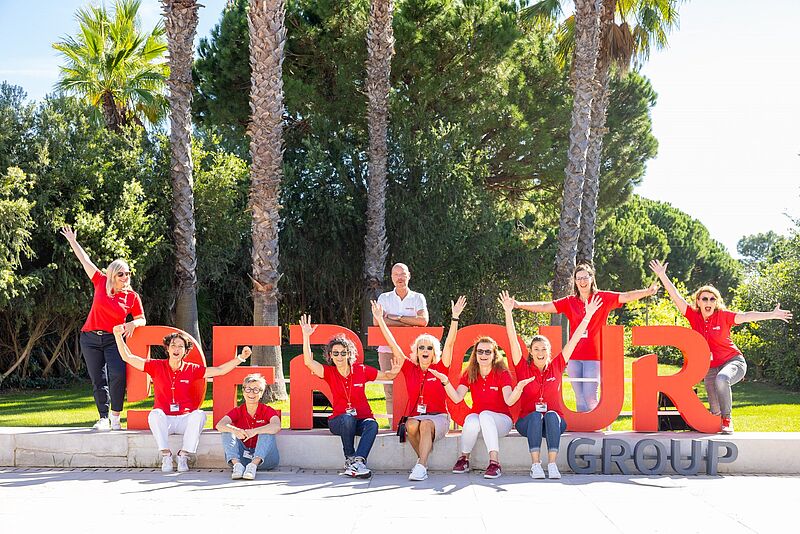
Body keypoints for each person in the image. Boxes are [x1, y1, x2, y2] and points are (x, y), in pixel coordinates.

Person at [649, 259, 792, 434]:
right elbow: (676, 297)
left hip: (733, 362)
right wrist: (662, 275)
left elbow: (746, 316)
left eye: (712, 299)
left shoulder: (723, 316)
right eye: (704, 299)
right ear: (698, 302)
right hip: (710, 368)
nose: (708, 302)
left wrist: (772, 314)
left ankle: (727, 419)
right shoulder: (693, 317)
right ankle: (717, 425)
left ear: (716, 302)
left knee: (722, 379)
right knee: (714, 411)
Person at [513, 263, 658, 414]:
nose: (582, 281)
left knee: (590, 396)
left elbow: (626, 296)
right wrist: (518, 305)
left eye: (585, 277)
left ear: (591, 278)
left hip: (594, 357)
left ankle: (599, 424)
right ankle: (584, 427)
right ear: (575, 281)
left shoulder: (602, 298)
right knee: (580, 398)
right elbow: (544, 306)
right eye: (578, 278)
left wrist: (647, 292)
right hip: (574, 358)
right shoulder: (570, 302)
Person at [112, 325, 251, 473]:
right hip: (165, 420)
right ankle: (166, 455)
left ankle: (183, 456)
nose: (176, 349)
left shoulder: (191, 368)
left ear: (185, 351)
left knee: (199, 415)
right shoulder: (156, 366)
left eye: (180, 346)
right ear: (167, 348)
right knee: (154, 414)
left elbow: (219, 370)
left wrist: (241, 358)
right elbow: (128, 357)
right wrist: (118, 336)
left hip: (184, 419)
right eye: (173, 345)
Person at [500, 290, 602, 479]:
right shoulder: (523, 368)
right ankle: (536, 465)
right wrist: (508, 312)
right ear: (531, 352)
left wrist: (588, 316)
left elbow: (574, 339)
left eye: (544, 349)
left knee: (552, 415)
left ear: (549, 351)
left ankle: (552, 465)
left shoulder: (557, 365)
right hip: (528, 423)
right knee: (535, 416)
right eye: (536, 349)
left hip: (553, 423)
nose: (540, 352)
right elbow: (512, 340)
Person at [371, 296, 466, 481]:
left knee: (426, 425)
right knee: (412, 424)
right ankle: (422, 463)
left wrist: (455, 317)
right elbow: (392, 344)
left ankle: (421, 466)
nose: (425, 350)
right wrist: (380, 319)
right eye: (421, 347)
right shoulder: (409, 368)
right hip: (416, 416)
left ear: (434, 352)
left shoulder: (440, 367)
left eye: (429, 348)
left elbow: (450, 344)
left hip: (438, 418)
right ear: (416, 351)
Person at [61, 225, 146, 431]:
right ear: (112, 275)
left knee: (118, 375)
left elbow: (142, 318)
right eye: (121, 274)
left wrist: (132, 323)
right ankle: (103, 418)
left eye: (127, 274)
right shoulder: (100, 281)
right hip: (89, 339)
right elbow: (85, 261)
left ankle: (115, 417)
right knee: (98, 380)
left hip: (113, 340)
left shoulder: (132, 297)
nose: (125, 277)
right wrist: (73, 241)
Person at [300, 314, 402, 478]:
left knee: (372, 424)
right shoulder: (329, 372)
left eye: (343, 353)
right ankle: (349, 458)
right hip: (339, 422)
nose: (340, 357)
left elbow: (387, 376)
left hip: (361, 420)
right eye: (336, 353)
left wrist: (394, 372)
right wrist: (306, 336)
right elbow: (308, 362)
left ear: (349, 354)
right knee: (347, 418)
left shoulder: (361, 370)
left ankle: (358, 462)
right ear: (330, 356)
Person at [427, 302, 514, 479]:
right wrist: (445, 381)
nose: (483, 355)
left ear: (494, 354)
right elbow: (457, 398)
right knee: (471, 419)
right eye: (480, 351)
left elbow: (508, 400)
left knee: (485, 415)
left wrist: (518, 389)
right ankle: (464, 459)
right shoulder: (470, 372)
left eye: (488, 352)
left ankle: (494, 463)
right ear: (475, 354)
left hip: (502, 422)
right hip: (481, 420)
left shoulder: (502, 373)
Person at [375, 263, 429, 422]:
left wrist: (396, 318)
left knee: (415, 388)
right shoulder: (384, 298)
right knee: (389, 389)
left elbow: (423, 321)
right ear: (392, 277)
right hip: (387, 350)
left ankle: (414, 423)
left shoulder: (418, 297)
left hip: (412, 352)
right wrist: (409, 322)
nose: (400, 278)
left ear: (409, 276)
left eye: (403, 274)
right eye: (396, 274)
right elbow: (378, 321)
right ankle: (394, 425)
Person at [216, 373, 281, 480]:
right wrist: (235, 430)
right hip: (242, 459)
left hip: (266, 461)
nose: (251, 393)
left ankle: (253, 466)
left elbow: (276, 426)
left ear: (261, 393)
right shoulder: (238, 411)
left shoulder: (267, 410)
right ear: (243, 391)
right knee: (227, 431)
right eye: (248, 389)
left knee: (267, 431)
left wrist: (255, 431)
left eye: (256, 390)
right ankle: (237, 466)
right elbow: (220, 425)